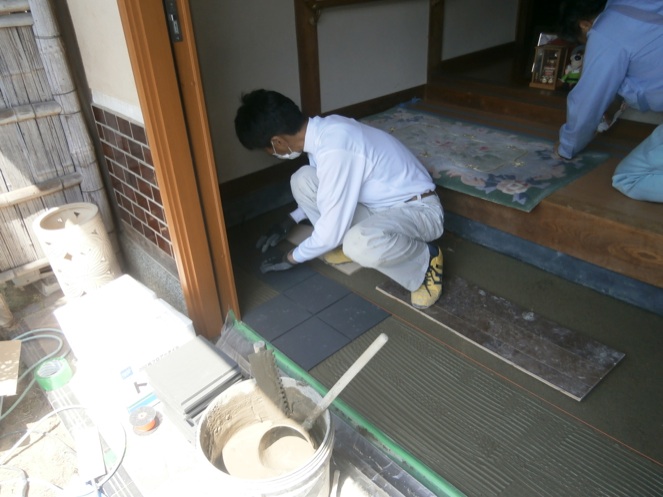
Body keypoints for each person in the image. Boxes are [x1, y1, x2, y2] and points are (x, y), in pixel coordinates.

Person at [234, 89, 445, 309]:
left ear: (277, 141)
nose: (272, 154)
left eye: (267, 150)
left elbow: (329, 230)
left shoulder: (336, 148)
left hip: (420, 210)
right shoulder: (323, 133)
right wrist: (289, 220)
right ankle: (347, 244)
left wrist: (290, 257)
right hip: (380, 208)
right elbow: (329, 193)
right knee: (303, 179)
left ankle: (425, 261)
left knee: (358, 244)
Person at [553, 0, 663, 203]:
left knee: (627, 178)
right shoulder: (634, 6)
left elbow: (588, 98)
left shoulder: (605, 31)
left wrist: (567, 146)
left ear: (584, 25)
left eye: (583, 41)